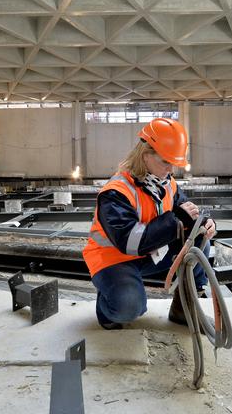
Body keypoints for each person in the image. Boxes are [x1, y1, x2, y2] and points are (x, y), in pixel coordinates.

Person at [82, 118, 217, 330]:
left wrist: (203, 222)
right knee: (129, 306)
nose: (171, 169)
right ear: (145, 155)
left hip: (148, 254)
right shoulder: (116, 192)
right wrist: (176, 219)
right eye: (165, 161)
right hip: (113, 259)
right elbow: (130, 242)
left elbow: (184, 211)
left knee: (199, 242)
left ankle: (183, 309)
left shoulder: (166, 183)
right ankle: (107, 307)